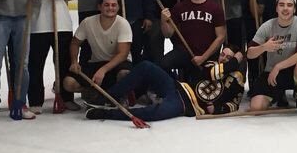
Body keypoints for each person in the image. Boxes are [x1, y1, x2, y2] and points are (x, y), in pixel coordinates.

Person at [85, 48, 246, 121]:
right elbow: (213, 74)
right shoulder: (212, 64)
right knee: (146, 67)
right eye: (223, 55)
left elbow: (234, 104)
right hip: (177, 87)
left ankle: (105, 114)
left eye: (228, 57)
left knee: (153, 113)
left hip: (185, 105)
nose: (223, 59)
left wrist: (218, 109)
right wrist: (235, 60)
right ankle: (107, 97)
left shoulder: (237, 81)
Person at [28, 0, 79, 113]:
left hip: (62, 23)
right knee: (36, 64)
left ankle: (66, 98)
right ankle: (35, 101)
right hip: (38, 24)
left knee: (64, 63)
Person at [246, 0, 297, 111]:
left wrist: (278, 66)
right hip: (272, 73)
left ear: (294, 9)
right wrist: (264, 47)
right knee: (256, 107)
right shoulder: (267, 25)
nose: (285, 8)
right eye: (281, 5)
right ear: (276, 8)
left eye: (289, 5)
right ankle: (278, 95)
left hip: (293, 71)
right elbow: (249, 54)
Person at [63, 0, 133, 99]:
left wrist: (103, 70)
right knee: (68, 83)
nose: (110, 8)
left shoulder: (123, 24)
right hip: (97, 63)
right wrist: (74, 62)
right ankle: (93, 92)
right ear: (99, 7)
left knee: (124, 74)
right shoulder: (88, 22)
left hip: (118, 64)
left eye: (114, 5)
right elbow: (75, 43)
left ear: (118, 8)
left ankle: (121, 96)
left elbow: (123, 55)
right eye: (106, 5)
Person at [159, 0, 226, 77]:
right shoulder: (179, 7)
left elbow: (221, 37)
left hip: (207, 54)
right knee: (163, 64)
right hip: (185, 52)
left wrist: (203, 57)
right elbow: (168, 34)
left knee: (198, 81)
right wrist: (163, 21)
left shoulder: (215, 9)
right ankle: (175, 85)